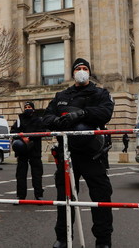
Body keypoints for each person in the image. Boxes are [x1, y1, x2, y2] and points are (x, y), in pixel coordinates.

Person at [43, 58, 114, 248]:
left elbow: (105, 112)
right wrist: (58, 121)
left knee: (101, 197)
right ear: (73, 73)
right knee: (64, 198)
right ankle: (63, 238)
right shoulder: (61, 95)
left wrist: (82, 114)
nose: (81, 71)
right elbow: (47, 116)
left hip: (93, 154)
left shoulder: (100, 93)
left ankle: (103, 241)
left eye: (84, 68)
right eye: (78, 69)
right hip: (68, 154)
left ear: (89, 72)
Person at [11, 101, 45, 200]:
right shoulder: (19, 120)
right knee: (21, 174)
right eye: (25, 107)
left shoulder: (38, 120)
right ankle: (21, 195)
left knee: (37, 174)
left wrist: (29, 137)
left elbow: (42, 131)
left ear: (33, 109)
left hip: (34, 149)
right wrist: (21, 136)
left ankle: (38, 195)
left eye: (29, 107)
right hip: (22, 150)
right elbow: (13, 131)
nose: (27, 109)